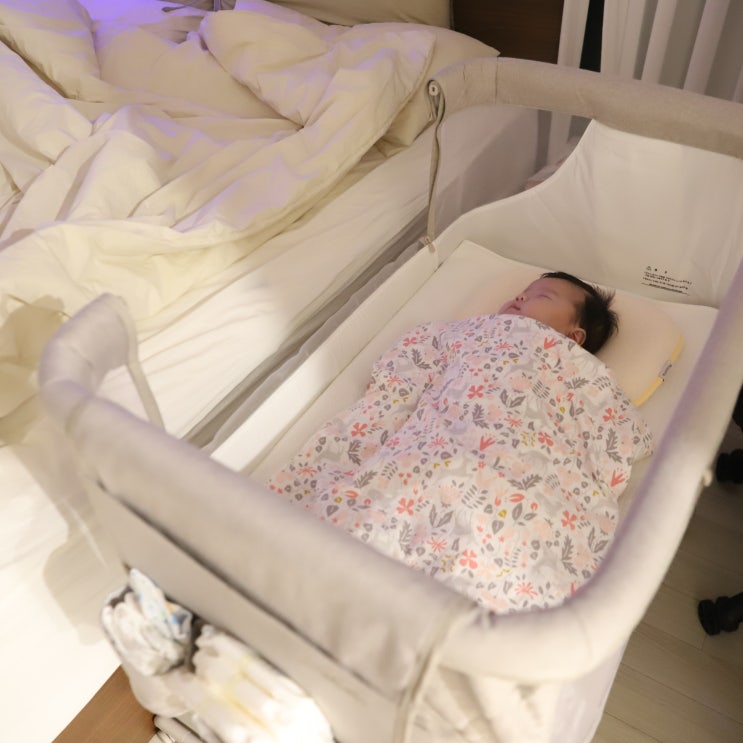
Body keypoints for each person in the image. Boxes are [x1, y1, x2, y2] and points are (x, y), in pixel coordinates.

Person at [498, 271, 618, 353]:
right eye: (525, 292)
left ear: (571, 339)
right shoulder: (487, 326)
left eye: (543, 296)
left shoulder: (560, 371)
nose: (520, 296)